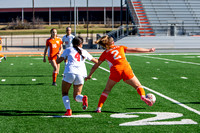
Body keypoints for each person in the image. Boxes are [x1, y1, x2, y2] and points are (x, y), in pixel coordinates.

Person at [85, 35, 156, 113]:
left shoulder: (105, 53)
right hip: (126, 69)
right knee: (138, 86)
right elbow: (135, 49)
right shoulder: (120, 47)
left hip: (116, 71)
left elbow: (96, 65)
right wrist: (148, 50)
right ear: (112, 42)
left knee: (107, 90)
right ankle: (142, 96)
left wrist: (90, 75)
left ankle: (99, 108)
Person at [57, 36, 98, 116]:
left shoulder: (68, 49)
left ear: (72, 43)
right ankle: (82, 98)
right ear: (81, 44)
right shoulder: (84, 51)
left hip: (70, 72)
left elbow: (58, 61)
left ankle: (68, 110)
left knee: (65, 93)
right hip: (81, 74)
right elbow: (96, 61)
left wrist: (58, 55)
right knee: (77, 96)